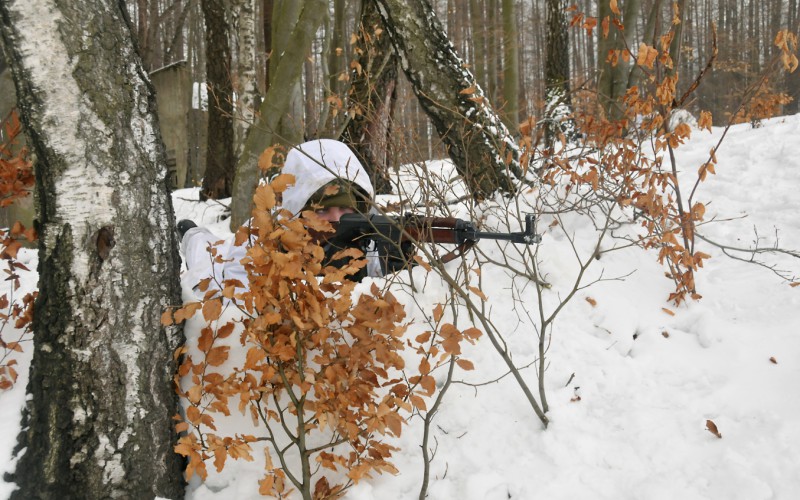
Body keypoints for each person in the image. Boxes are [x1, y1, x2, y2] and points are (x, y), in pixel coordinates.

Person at [178, 139, 403, 298]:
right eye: (322, 211)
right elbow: (238, 302)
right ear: (298, 211)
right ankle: (192, 233)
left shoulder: (365, 232)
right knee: (207, 256)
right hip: (216, 272)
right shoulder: (261, 236)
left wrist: (396, 265)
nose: (335, 221)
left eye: (346, 211)